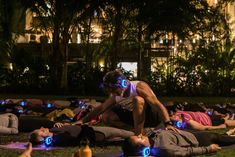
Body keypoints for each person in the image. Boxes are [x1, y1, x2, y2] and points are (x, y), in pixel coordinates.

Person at [73, 69, 177, 135]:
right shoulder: (115, 95)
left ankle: (138, 134)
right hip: (135, 117)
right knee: (106, 116)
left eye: (113, 89)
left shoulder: (138, 87)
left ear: (122, 83)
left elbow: (157, 105)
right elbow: (101, 108)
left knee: (137, 100)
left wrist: (168, 124)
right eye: (110, 90)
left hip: (152, 116)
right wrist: (82, 121)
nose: (112, 92)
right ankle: (138, 131)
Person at [122, 128, 235, 157]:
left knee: (222, 138)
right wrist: (209, 149)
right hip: (200, 140)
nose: (141, 135)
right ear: (143, 149)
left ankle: (227, 134)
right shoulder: (164, 148)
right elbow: (186, 152)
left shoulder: (151, 136)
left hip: (189, 134)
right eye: (139, 138)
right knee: (225, 140)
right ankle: (228, 135)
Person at [29, 124, 134, 146]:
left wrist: (63, 125)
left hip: (92, 130)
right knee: (120, 133)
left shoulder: (54, 131)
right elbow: (75, 135)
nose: (42, 128)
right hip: (94, 132)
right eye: (41, 131)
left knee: (120, 136)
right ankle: (140, 136)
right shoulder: (59, 138)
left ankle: (138, 136)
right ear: (45, 138)